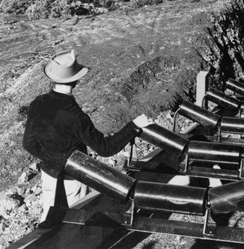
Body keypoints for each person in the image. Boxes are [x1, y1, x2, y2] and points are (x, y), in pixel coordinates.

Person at [23, 49, 151, 228]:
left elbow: (28, 143)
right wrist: (134, 126)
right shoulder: (76, 116)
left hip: (49, 175)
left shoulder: (37, 103)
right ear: (75, 80)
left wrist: (51, 159)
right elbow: (105, 149)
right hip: (73, 178)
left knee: (48, 222)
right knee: (74, 226)